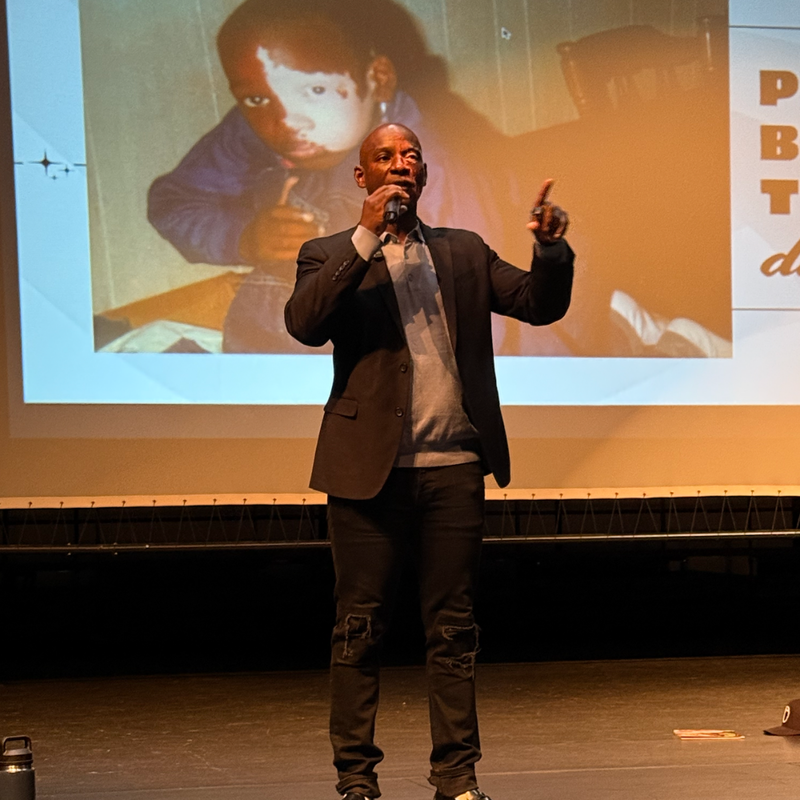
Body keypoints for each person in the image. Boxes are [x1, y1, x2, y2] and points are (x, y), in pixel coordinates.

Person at [284, 123, 574, 800]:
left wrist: (550, 249)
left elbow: (539, 304)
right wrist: (366, 236)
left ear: (424, 174)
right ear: (362, 177)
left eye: (411, 155)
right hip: (367, 473)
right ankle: (356, 779)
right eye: (385, 156)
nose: (402, 163)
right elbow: (305, 323)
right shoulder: (327, 253)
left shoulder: (463, 250)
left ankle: (456, 777)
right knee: (359, 628)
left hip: (453, 467)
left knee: (454, 629)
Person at [147, 0, 500, 354]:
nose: (285, 121)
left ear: (378, 80)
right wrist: (244, 238)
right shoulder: (250, 133)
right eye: (256, 99)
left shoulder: (434, 172)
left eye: (315, 91)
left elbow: (473, 316)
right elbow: (174, 204)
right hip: (270, 337)